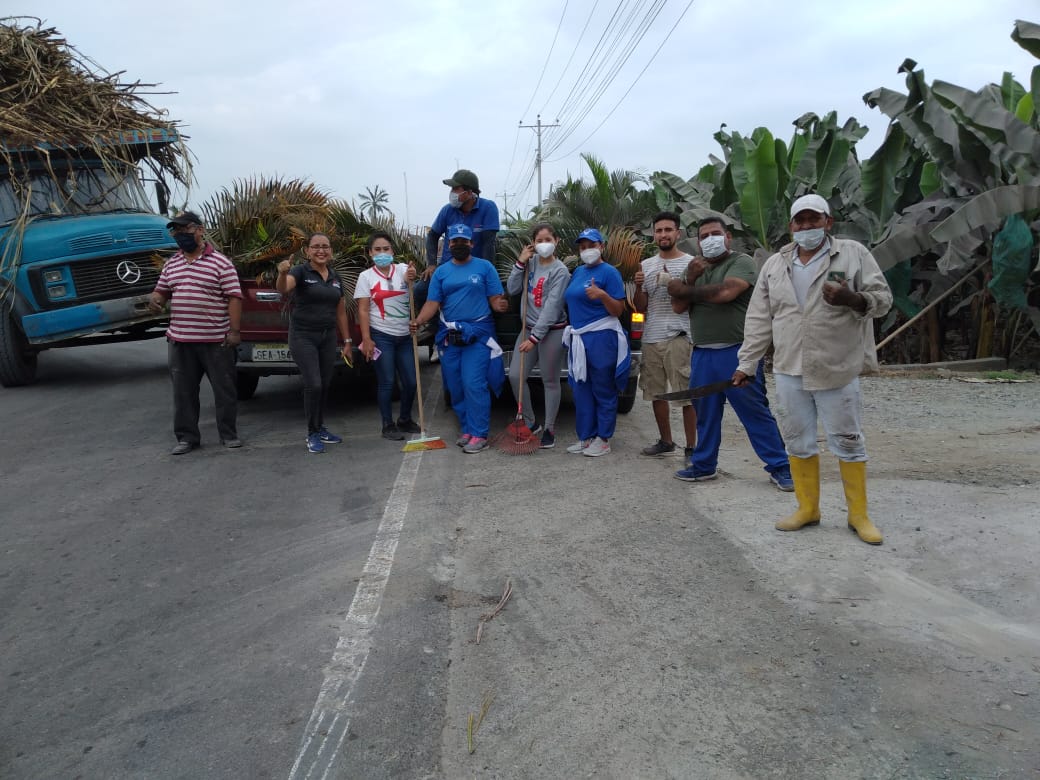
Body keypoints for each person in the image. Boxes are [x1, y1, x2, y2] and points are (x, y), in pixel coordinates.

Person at [733, 194, 893, 544]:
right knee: (797, 440)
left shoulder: (852, 254)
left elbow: (883, 299)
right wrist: (747, 364)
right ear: (791, 226)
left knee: (848, 440)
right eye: (800, 221)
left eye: (813, 220)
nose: (806, 226)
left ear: (828, 222)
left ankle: (859, 515)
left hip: (837, 367)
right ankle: (807, 509)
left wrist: (854, 299)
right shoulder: (775, 265)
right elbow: (759, 319)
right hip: (789, 368)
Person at [667, 216, 792, 489]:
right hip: (702, 353)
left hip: (737, 352)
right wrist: (690, 279)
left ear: (728, 237)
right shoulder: (694, 268)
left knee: (754, 412)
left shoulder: (741, 262)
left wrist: (685, 289)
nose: (709, 239)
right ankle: (704, 466)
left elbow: (725, 293)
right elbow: (677, 307)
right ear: (697, 242)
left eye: (715, 233)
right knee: (705, 414)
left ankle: (781, 467)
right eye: (703, 236)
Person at [149, 211, 243, 455]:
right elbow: (162, 292)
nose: (181, 235)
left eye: (186, 229)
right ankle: (187, 438)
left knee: (224, 390)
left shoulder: (221, 263)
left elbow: (234, 298)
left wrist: (234, 331)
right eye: (176, 231)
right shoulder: (171, 264)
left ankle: (229, 434)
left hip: (215, 340)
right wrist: (156, 300)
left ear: (200, 230)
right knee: (183, 393)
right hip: (181, 341)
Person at [410, 223, 508, 454]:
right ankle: (467, 429)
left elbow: (495, 299)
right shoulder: (441, 272)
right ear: (448, 244)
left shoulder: (485, 267)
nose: (459, 245)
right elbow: (432, 303)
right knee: (455, 385)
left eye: (464, 241)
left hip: (478, 334)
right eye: (455, 241)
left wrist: (501, 305)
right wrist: (418, 321)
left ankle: (479, 434)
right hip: (449, 336)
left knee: (474, 384)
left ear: (471, 243)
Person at [275, 232, 352, 454]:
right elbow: (284, 288)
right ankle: (312, 433)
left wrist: (347, 341)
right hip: (303, 336)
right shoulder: (300, 271)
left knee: (325, 384)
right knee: (314, 384)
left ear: (331, 251)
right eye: (316, 246)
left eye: (325, 246)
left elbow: (340, 312)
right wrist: (283, 273)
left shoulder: (335, 276)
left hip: (327, 337)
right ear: (307, 251)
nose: (321, 250)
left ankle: (320, 427)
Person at [632, 211, 697, 462]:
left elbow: (694, 300)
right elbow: (640, 307)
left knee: (685, 395)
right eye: (659, 230)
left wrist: (674, 283)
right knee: (656, 393)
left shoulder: (691, 263)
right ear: (654, 235)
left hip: (679, 336)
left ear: (677, 233)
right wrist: (638, 286)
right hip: (651, 337)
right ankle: (666, 441)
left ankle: (691, 448)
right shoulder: (646, 265)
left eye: (668, 230)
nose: (663, 235)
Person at [562, 228, 631, 458]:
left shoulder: (610, 273)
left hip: (602, 337)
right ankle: (586, 436)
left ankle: (603, 438)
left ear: (601, 246)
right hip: (580, 338)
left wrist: (602, 295)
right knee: (581, 388)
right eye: (582, 247)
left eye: (591, 245)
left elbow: (618, 310)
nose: (587, 250)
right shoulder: (578, 272)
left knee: (603, 387)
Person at [418, 170, 500, 363]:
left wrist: (487, 274)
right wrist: (431, 264)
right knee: (420, 289)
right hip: (447, 267)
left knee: (486, 298)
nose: (452, 193)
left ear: (470, 192)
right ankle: (435, 332)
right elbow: (432, 236)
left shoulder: (488, 208)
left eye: (456, 188)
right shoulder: (447, 210)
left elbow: (488, 244)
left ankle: (483, 338)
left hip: (474, 268)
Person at [506, 222, 570, 449]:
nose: (544, 244)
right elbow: (512, 289)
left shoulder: (561, 271)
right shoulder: (530, 263)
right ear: (532, 243)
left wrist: (535, 339)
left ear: (556, 241)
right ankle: (531, 422)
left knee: (549, 380)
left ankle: (550, 428)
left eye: (548, 240)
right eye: (539, 240)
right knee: (515, 375)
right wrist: (520, 262)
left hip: (552, 331)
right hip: (528, 327)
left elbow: (552, 307)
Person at [354, 231, 421, 441]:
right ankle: (387, 424)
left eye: (386, 249)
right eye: (377, 250)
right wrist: (366, 338)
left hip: (405, 336)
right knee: (387, 382)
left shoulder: (402, 269)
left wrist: (412, 274)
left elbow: (411, 276)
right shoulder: (366, 277)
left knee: (411, 382)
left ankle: (405, 419)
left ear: (392, 251)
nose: (382, 253)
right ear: (370, 253)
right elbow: (363, 310)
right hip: (381, 335)